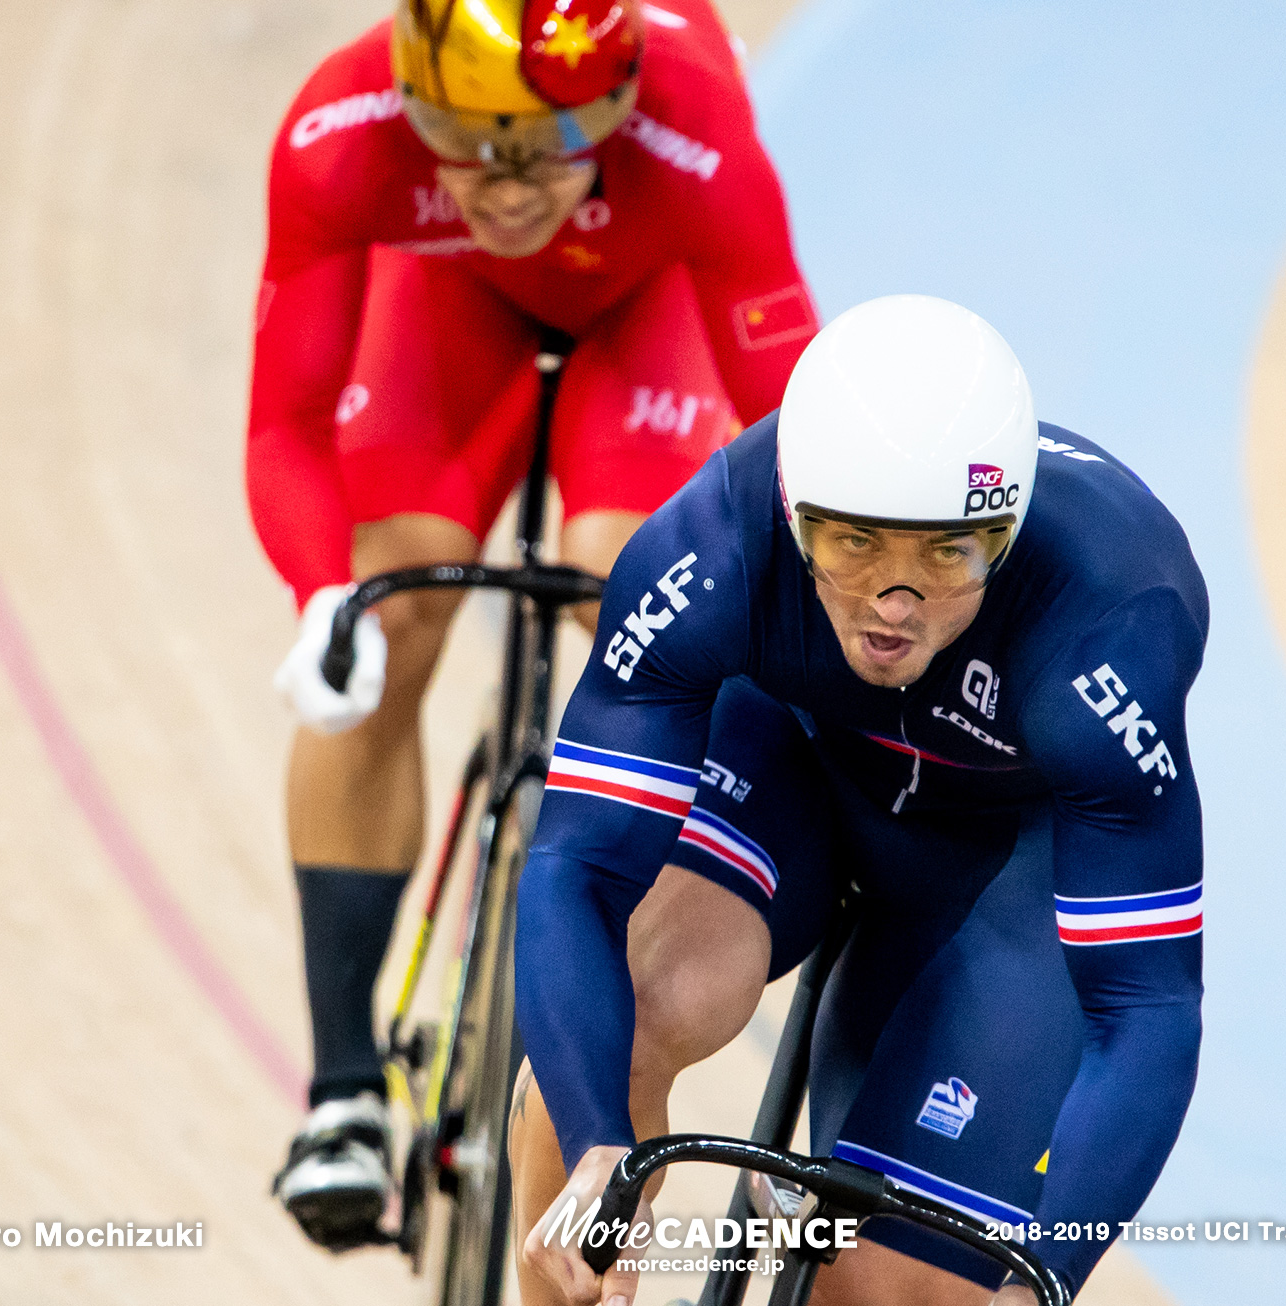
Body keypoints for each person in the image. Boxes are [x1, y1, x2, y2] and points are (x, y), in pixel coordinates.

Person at [249, 0, 817, 1251]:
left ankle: (615, 960)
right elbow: (284, 423)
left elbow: (792, 421)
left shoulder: (692, 121)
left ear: (618, 105)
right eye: (463, 137)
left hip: (642, 311)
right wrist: (319, 598)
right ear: (409, 96)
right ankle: (343, 1091)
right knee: (391, 606)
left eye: (551, 141)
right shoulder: (344, 127)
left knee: (626, 577)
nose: (505, 185)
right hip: (444, 312)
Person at [511, 295, 1208, 1304]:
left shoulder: (1103, 624)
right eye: (854, 546)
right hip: (795, 759)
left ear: (1005, 532)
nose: (894, 599)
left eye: (947, 553)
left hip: (1008, 859)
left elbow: (1145, 1006)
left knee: (885, 1285)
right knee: (631, 1019)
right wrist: (590, 1148)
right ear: (793, 513)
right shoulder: (713, 544)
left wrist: (1046, 1277)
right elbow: (573, 866)